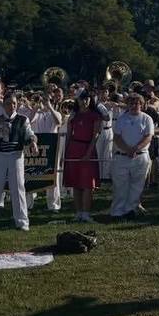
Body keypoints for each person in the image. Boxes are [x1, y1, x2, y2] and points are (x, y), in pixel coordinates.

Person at [0, 94, 38, 232]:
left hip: (16, 156)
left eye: (15, 103)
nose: (12, 106)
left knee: (18, 189)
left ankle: (22, 222)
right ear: (4, 105)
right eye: (9, 103)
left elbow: (30, 135)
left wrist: (33, 143)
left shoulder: (23, 120)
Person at [109, 92, 154, 220]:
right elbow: (117, 137)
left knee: (137, 185)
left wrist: (136, 148)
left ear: (142, 104)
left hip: (140, 156)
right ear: (127, 105)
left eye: (137, 103)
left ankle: (130, 210)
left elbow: (148, 136)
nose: (134, 105)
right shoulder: (122, 119)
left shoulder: (147, 119)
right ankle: (117, 212)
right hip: (122, 156)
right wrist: (127, 149)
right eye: (131, 103)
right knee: (120, 185)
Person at [63, 92, 101, 223]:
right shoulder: (74, 115)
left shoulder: (94, 115)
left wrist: (88, 153)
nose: (84, 101)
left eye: (86, 99)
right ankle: (78, 213)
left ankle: (86, 213)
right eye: (81, 99)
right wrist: (65, 152)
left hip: (87, 148)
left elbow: (95, 135)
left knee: (88, 183)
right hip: (74, 148)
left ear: (90, 100)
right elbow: (68, 134)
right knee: (75, 182)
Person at [26, 87, 64, 212]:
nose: (45, 101)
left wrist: (50, 107)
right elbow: (29, 121)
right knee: (31, 173)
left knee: (53, 175)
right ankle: (28, 204)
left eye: (48, 99)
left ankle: (53, 205)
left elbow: (59, 122)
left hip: (52, 147)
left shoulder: (56, 112)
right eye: (44, 98)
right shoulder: (36, 113)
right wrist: (37, 107)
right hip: (37, 147)